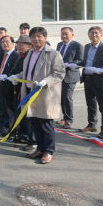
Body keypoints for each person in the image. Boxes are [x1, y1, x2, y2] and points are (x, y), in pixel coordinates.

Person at [20, 27, 65, 164]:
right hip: (30, 92)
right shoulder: (30, 53)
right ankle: (40, 148)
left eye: (40, 36)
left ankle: (48, 151)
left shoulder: (53, 54)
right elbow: (28, 72)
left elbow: (59, 73)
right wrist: (16, 77)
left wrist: (46, 81)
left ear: (45, 38)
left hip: (45, 94)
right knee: (35, 122)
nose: (36, 39)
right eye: (33, 37)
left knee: (46, 124)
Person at [79, 26, 103, 138]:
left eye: (96, 33)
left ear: (101, 35)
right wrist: (76, 64)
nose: (94, 36)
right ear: (88, 35)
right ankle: (91, 124)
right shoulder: (86, 47)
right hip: (88, 79)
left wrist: (101, 69)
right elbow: (85, 61)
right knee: (90, 104)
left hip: (100, 80)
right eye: (91, 33)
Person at [55, 27, 83, 129]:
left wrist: (69, 64)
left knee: (67, 97)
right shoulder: (59, 44)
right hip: (59, 75)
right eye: (62, 34)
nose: (64, 36)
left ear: (72, 35)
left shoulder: (77, 45)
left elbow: (80, 61)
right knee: (61, 97)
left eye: (66, 34)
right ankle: (64, 117)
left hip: (70, 75)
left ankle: (69, 120)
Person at [9, 35, 34, 148]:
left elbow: (27, 72)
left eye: (20, 44)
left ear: (28, 46)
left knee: (26, 114)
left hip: (28, 88)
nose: (18, 46)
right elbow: (15, 69)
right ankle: (23, 134)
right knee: (20, 112)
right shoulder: (21, 55)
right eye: (17, 44)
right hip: (19, 88)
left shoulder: (30, 56)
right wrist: (12, 76)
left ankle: (29, 137)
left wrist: (18, 76)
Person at [0, 35, 18, 134]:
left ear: (13, 43)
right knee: (3, 107)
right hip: (2, 84)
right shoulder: (4, 55)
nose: (5, 44)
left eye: (7, 42)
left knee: (10, 109)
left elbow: (15, 70)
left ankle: (12, 129)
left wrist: (7, 76)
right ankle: (5, 126)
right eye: (3, 42)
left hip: (11, 86)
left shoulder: (15, 55)